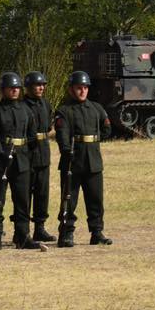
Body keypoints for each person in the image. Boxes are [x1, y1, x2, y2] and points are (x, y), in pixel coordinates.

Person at [54, 69, 112, 247]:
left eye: (85, 88)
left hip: (93, 160)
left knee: (95, 199)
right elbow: (62, 133)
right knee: (69, 199)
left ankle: (97, 232)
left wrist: (94, 141)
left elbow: (106, 128)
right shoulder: (64, 110)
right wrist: (66, 149)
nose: (83, 91)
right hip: (73, 161)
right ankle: (66, 233)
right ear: (71, 89)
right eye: (79, 88)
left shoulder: (96, 108)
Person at [0, 73, 41, 251]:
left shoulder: (26, 110)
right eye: (11, 88)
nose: (15, 91)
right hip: (0, 160)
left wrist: (27, 153)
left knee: (22, 200)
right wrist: (1, 153)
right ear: (3, 90)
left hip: (22, 159)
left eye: (17, 88)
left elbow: (32, 135)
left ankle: (22, 235)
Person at [24, 71, 56, 241]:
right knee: (25, 193)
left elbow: (49, 126)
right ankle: (24, 230)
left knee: (42, 193)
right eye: (38, 85)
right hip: (27, 153)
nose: (41, 88)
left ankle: (40, 227)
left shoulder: (46, 104)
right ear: (28, 87)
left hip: (43, 152)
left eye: (43, 85)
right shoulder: (22, 105)